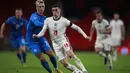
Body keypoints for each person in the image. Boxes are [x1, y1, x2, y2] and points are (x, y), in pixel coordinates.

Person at [33, 4, 90, 73]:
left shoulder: (64, 21)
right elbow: (43, 31)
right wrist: (37, 36)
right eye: (53, 10)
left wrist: (85, 35)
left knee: (70, 54)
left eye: (56, 10)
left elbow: (77, 27)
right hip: (55, 44)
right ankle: (77, 71)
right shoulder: (47, 20)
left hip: (63, 41)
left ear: (60, 10)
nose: (54, 12)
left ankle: (84, 70)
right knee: (64, 64)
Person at [26, 0, 62, 73]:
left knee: (51, 54)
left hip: (41, 39)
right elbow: (37, 23)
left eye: (43, 7)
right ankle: (51, 72)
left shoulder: (44, 18)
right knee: (42, 58)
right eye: (39, 7)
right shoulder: (34, 16)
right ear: (36, 8)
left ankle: (56, 68)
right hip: (32, 41)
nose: (41, 8)